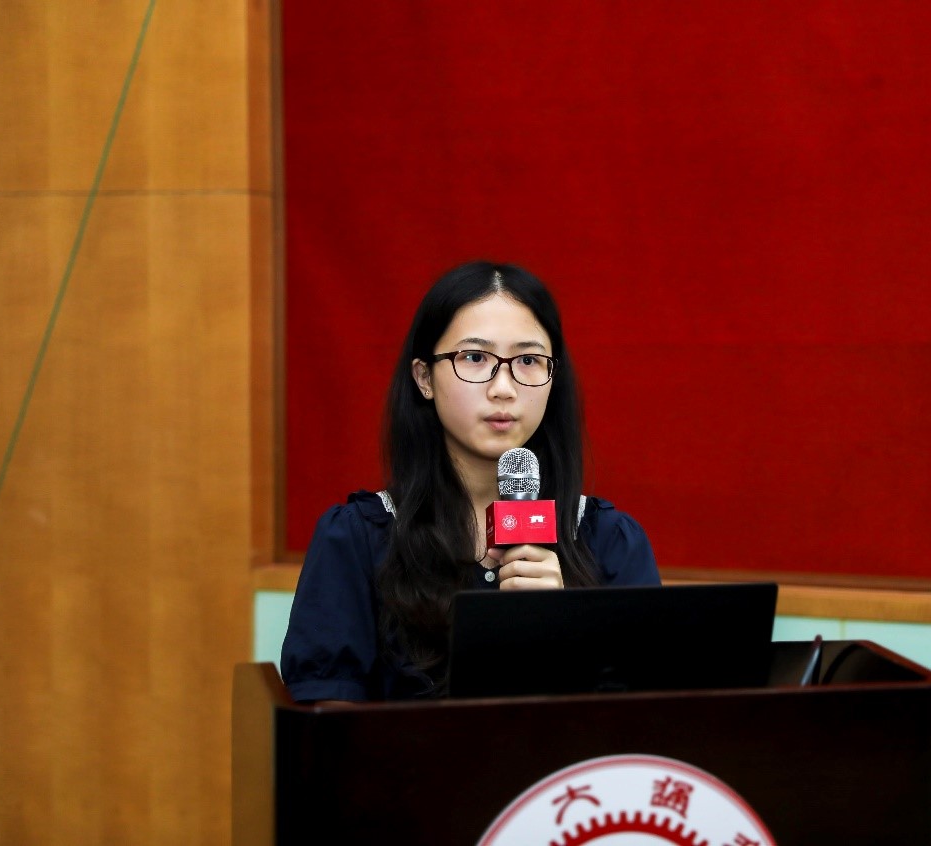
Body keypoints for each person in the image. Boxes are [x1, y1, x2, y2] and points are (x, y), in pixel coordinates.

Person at [281, 261, 661, 701]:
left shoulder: (609, 541)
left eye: (528, 360)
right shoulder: (358, 538)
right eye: (476, 358)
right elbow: (327, 720)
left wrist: (568, 623)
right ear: (424, 377)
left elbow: (648, 718)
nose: (504, 388)